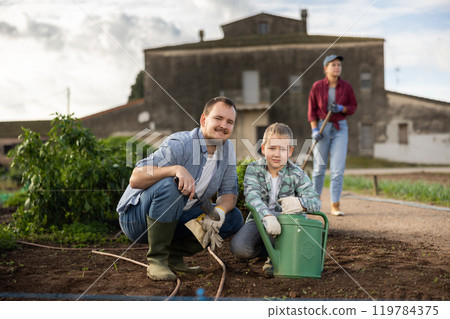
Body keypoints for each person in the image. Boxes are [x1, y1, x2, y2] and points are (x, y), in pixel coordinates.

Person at [116, 97, 244, 281]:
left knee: (233, 218)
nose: (223, 125)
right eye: (218, 118)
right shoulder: (181, 143)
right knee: (171, 185)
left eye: (229, 122)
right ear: (203, 120)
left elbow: (229, 192)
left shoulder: (227, 149)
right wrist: (175, 169)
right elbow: (136, 178)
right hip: (138, 219)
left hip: (176, 217)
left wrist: (221, 212)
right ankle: (157, 259)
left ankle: (173, 256)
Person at [230, 123, 321, 277]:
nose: (277, 154)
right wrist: (267, 216)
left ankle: (278, 257)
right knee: (240, 248)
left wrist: (300, 204)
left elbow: (315, 202)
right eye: (272, 148)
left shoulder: (297, 173)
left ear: (290, 151)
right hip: (259, 221)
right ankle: (273, 252)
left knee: (284, 225)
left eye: (283, 149)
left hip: (288, 224)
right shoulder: (254, 169)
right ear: (264, 148)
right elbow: (252, 197)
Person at [308, 54, 357, 216]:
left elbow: (353, 107)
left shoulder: (347, 87)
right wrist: (315, 129)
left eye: (339, 65)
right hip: (322, 127)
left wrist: (341, 108)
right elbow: (312, 110)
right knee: (319, 168)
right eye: (333, 65)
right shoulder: (317, 86)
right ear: (325, 68)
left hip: (340, 128)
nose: (337, 67)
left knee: (337, 169)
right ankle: (315, 203)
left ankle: (335, 205)